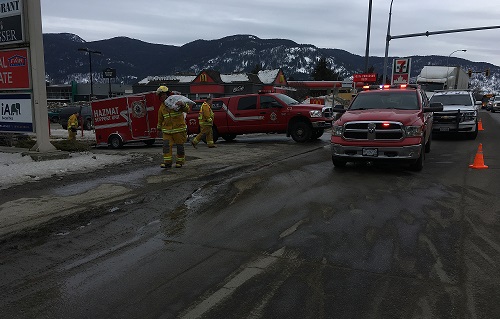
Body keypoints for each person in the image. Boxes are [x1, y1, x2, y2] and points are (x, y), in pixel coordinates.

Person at [156, 86, 190, 169]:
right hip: (167, 131)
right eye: (161, 95)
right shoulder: (162, 107)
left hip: (179, 130)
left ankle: (180, 162)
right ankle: (167, 163)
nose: (163, 96)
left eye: (164, 94)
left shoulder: (175, 102)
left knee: (180, 147)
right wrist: (159, 127)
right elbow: (160, 119)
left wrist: (183, 104)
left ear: (167, 94)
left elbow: (187, 110)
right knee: (166, 147)